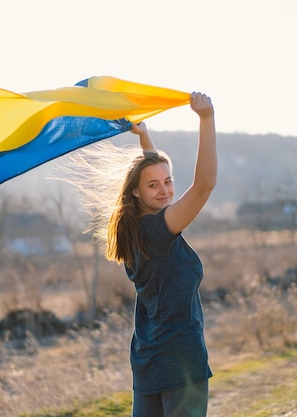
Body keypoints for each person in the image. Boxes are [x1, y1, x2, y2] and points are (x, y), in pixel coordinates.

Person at [105, 92, 216, 417]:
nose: (166, 190)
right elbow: (205, 184)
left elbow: (150, 176)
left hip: (147, 359)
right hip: (180, 359)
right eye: (154, 186)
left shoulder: (133, 228)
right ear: (137, 191)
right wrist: (206, 119)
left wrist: (145, 138)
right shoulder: (158, 231)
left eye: (168, 181)